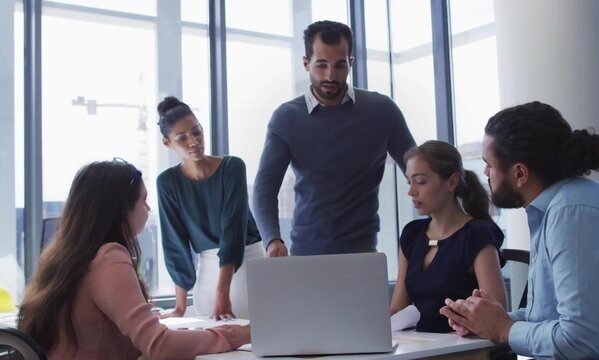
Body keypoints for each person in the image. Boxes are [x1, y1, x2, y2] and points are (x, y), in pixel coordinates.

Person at [440, 101, 599, 359]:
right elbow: (549, 317)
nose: (486, 172)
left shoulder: (574, 213)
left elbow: (583, 342)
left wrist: (503, 328)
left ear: (520, 173)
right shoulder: (560, 208)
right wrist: (487, 321)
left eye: (489, 164)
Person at [17, 160, 250, 359]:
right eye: (144, 200)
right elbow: (159, 345)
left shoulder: (66, 255)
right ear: (121, 209)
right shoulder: (108, 258)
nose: (148, 208)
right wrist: (241, 333)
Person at [253, 20, 415, 257]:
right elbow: (264, 190)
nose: (330, 75)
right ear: (306, 63)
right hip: (305, 256)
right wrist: (272, 240)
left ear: (351, 63)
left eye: (339, 66)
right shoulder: (286, 118)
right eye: (321, 65)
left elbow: (418, 170)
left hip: (363, 254)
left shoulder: (382, 110)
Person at [156, 96, 263, 320]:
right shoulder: (167, 183)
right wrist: (180, 307)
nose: (193, 142)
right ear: (168, 143)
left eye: (196, 132)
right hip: (206, 274)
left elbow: (233, 232)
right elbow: (175, 244)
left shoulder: (232, 167)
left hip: (246, 265)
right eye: (182, 138)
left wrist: (222, 291)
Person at [390, 141, 507, 333]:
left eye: (420, 181)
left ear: (451, 182)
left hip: (463, 350)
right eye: (409, 182)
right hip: (420, 348)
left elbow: (497, 316)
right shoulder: (412, 234)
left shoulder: (476, 235)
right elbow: (397, 309)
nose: (411, 191)